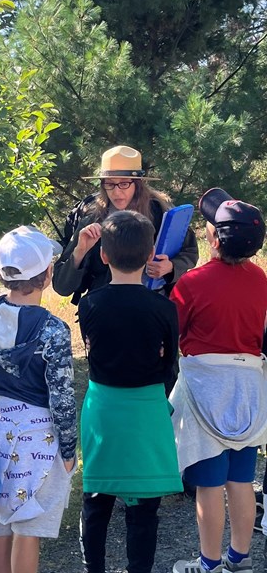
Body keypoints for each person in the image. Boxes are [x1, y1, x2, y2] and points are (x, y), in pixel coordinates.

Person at [78, 210, 183, 573]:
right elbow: (171, 360)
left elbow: (93, 352)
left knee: (96, 499)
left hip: (103, 407)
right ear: (150, 251)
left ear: (104, 255)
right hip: (146, 408)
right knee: (144, 507)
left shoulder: (89, 305)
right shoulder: (163, 307)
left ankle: (94, 568)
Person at [171, 188, 267, 573]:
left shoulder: (192, 282)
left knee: (210, 484)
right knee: (241, 479)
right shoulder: (260, 279)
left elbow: (174, 332)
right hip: (248, 385)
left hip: (205, 386)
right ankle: (239, 559)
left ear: (213, 238)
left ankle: (209, 563)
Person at [0, 226, 77, 573]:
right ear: (48, 274)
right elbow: (61, 395)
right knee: (28, 524)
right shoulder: (53, 329)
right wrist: (69, 448)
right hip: (39, 433)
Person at [54, 145, 198, 304]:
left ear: (137, 184)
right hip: (103, 310)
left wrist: (170, 267)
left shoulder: (160, 212)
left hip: (152, 307)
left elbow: (190, 251)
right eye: (109, 184)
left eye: (123, 183)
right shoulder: (92, 219)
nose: (116, 192)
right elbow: (61, 286)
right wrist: (80, 251)